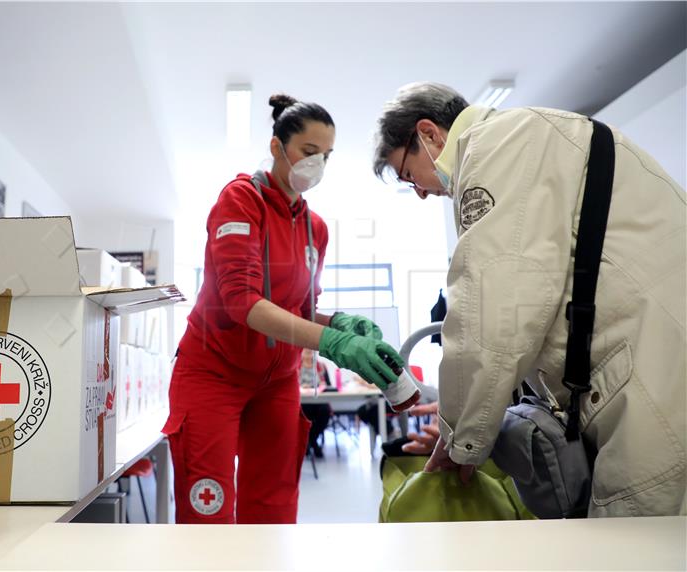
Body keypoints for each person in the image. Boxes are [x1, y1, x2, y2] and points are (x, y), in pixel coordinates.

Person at [372, 82, 686, 517]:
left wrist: (456, 436)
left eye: (409, 176)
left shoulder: (496, 144)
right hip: (654, 360)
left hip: (654, 379)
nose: (421, 192)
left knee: (635, 546)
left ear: (429, 134)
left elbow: (492, 306)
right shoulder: (540, 135)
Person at [163, 94, 403, 524]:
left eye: (326, 156)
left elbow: (299, 309)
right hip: (214, 372)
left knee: (273, 508)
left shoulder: (316, 229)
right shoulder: (240, 201)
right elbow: (243, 302)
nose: (318, 165)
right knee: (208, 510)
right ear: (277, 147)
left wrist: (338, 322)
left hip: (276, 381)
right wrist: (332, 342)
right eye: (309, 152)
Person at [298, 349, 332, 458]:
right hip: (302, 401)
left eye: (310, 349)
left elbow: (329, 386)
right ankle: (313, 443)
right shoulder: (296, 366)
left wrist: (322, 385)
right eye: (305, 349)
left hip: (319, 400)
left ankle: (311, 440)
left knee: (325, 411)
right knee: (304, 411)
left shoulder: (321, 367)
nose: (308, 350)